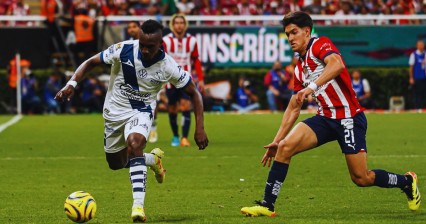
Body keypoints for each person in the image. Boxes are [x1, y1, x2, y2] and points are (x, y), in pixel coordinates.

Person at [241, 11, 421, 217]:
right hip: (325, 118)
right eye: (287, 34)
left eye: (294, 32)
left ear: (307, 32)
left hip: (349, 119)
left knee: (361, 178)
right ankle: (267, 205)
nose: (290, 38)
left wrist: (312, 87)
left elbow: (337, 64)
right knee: (284, 148)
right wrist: (276, 140)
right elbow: (294, 106)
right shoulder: (299, 68)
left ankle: (407, 181)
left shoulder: (319, 45)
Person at [55, 20, 209, 222]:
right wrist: (72, 83)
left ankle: (138, 207)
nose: (144, 50)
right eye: (142, 44)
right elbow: (91, 62)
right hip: (113, 113)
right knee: (116, 163)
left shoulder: (168, 66)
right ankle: (152, 160)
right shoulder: (124, 49)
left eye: (150, 46)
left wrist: (200, 128)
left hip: (141, 112)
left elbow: (194, 93)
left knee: (135, 144)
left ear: (160, 43)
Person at [163, 14, 204, 147]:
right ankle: (175, 136)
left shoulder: (192, 40)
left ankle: (184, 137)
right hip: (170, 79)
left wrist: (201, 79)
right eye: (177, 23)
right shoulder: (166, 40)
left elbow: (196, 60)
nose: (179, 25)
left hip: (186, 78)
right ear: (172, 25)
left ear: (185, 24)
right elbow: (162, 61)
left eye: (181, 22)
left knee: (186, 106)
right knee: (173, 108)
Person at [127, 20, 159, 143]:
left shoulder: (151, 42)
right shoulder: (127, 44)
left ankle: (153, 127)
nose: (132, 29)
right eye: (129, 27)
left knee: (153, 106)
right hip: (133, 81)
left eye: (134, 26)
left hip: (151, 80)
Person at [408, 39, 426, 111]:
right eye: (420, 45)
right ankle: (418, 108)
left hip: (424, 77)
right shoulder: (414, 55)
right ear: (417, 46)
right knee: (417, 94)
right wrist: (411, 78)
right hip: (417, 77)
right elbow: (411, 67)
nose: (421, 46)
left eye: (422, 44)